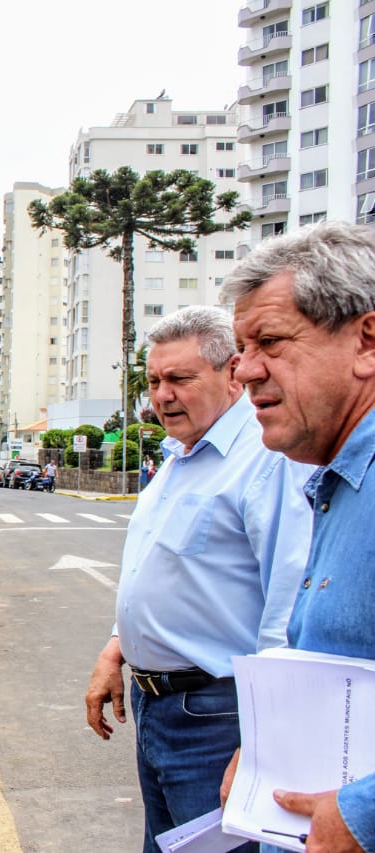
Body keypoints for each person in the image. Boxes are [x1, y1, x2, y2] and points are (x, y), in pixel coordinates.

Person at [84, 306, 313, 853]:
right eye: (155, 380)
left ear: (233, 373)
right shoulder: (178, 457)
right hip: (156, 709)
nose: (162, 395)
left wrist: (264, 743)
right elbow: (163, 570)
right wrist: (117, 649)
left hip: (219, 717)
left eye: (180, 379)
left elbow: (289, 605)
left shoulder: (265, 459)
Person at [222, 220, 375, 852]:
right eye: (240, 347)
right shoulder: (336, 482)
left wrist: (364, 813)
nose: (246, 372)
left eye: (271, 342)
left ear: (367, 341)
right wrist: (265, 753)